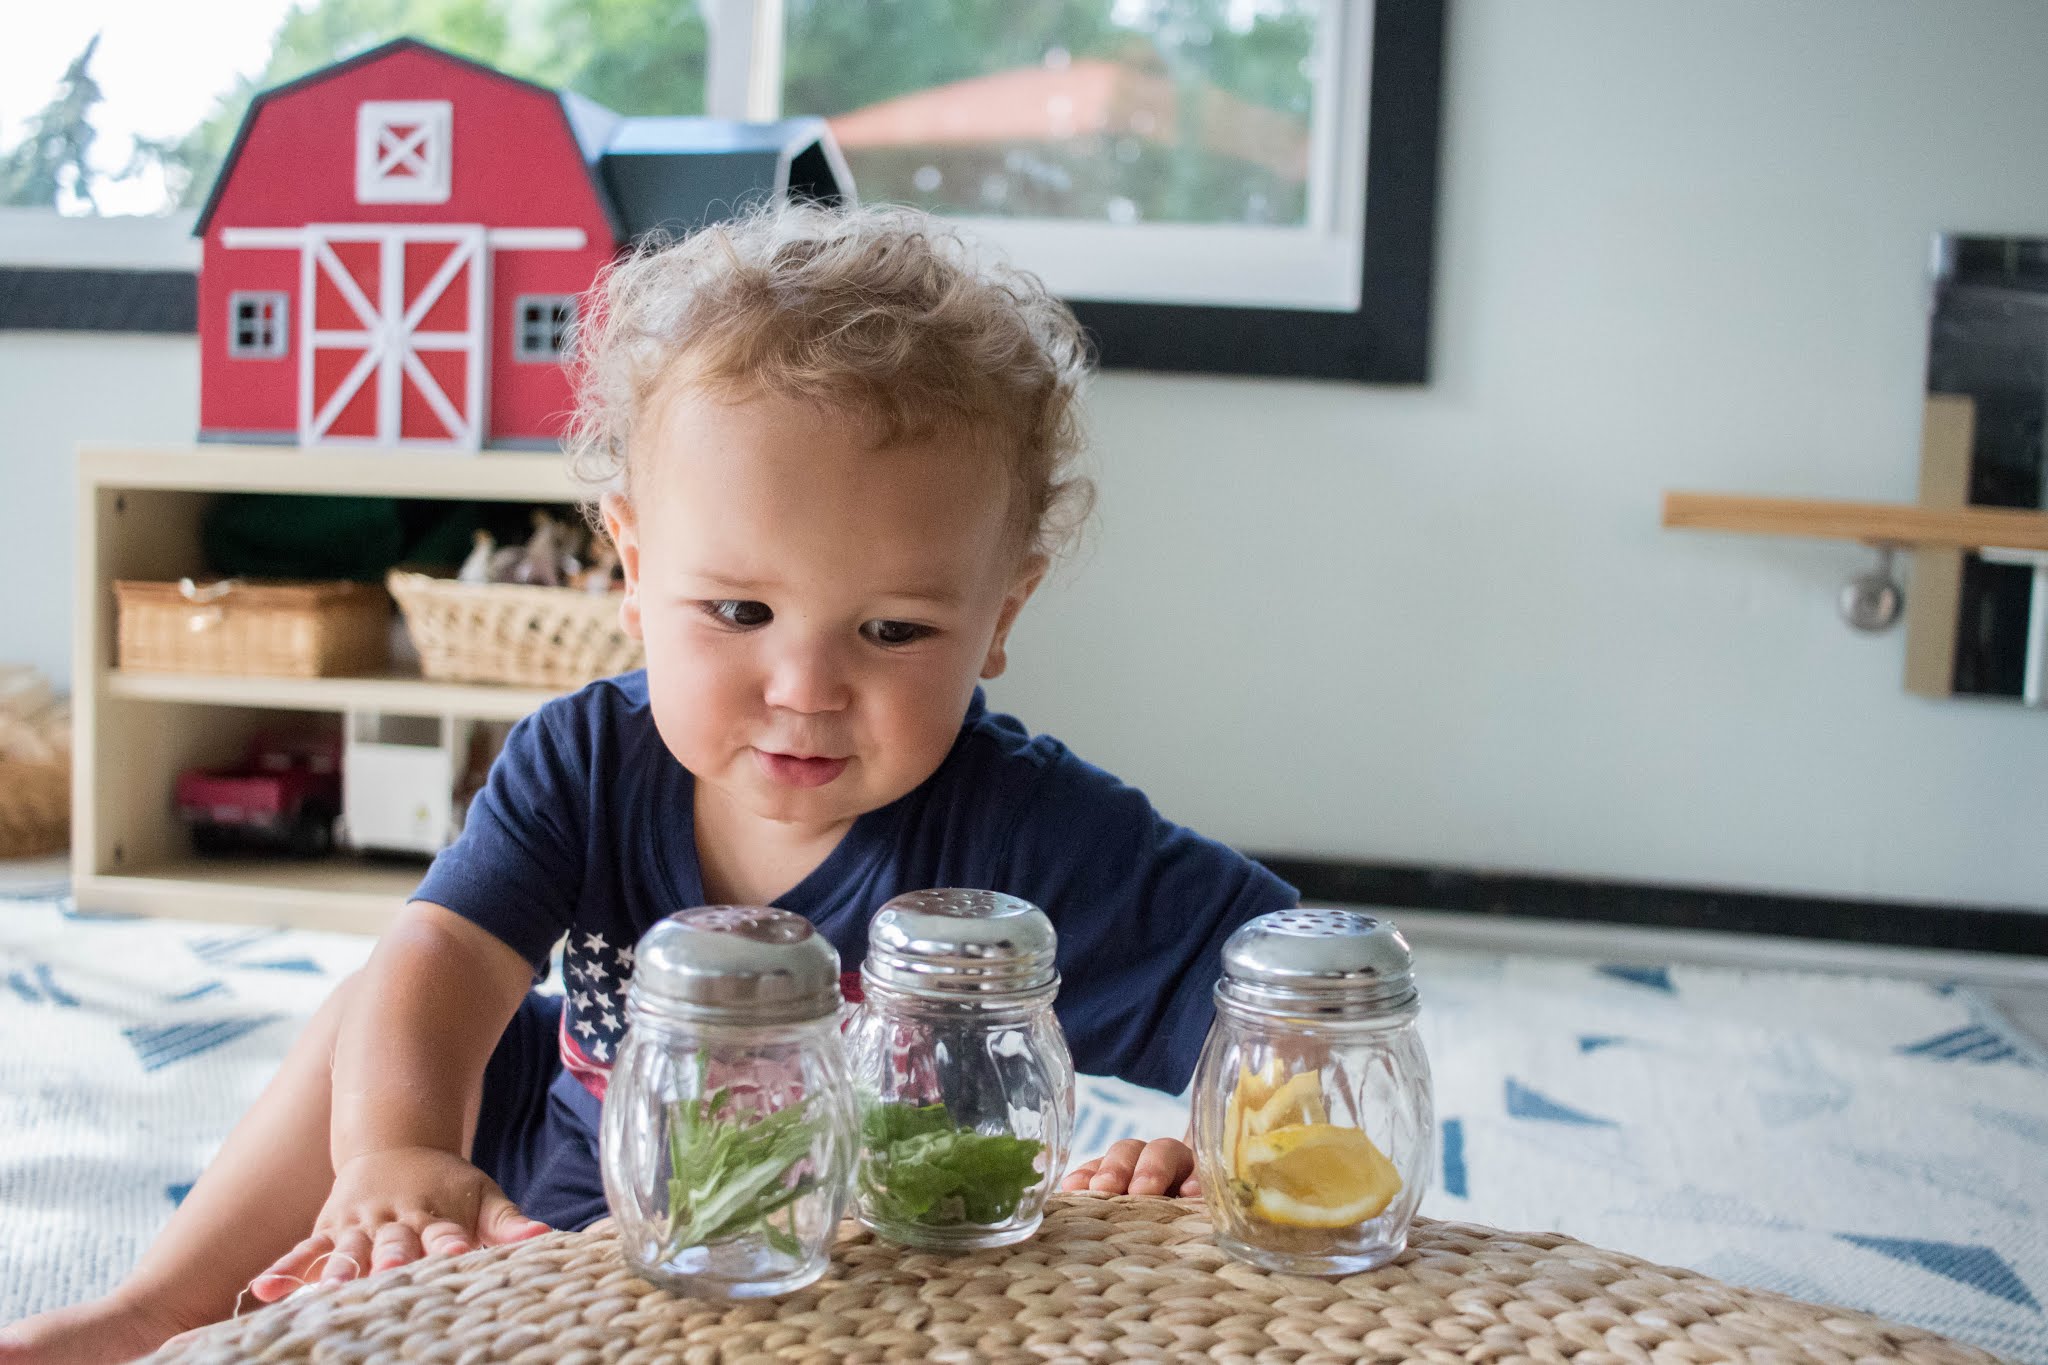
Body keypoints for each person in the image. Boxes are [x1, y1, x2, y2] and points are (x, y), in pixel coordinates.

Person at [1, 201, 1297, 1364]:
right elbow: (443, 956)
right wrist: (401, 1153)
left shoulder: (1031, 828)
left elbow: (1281, 988)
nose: (804, 685)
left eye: (891, 630)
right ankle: (162, 1302)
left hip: (852, 1269)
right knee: (382, 1017)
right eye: (738, 608)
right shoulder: (582, 755)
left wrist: (1204, 1143)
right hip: (543, 1210)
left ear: (999, 610)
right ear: (631, 561)